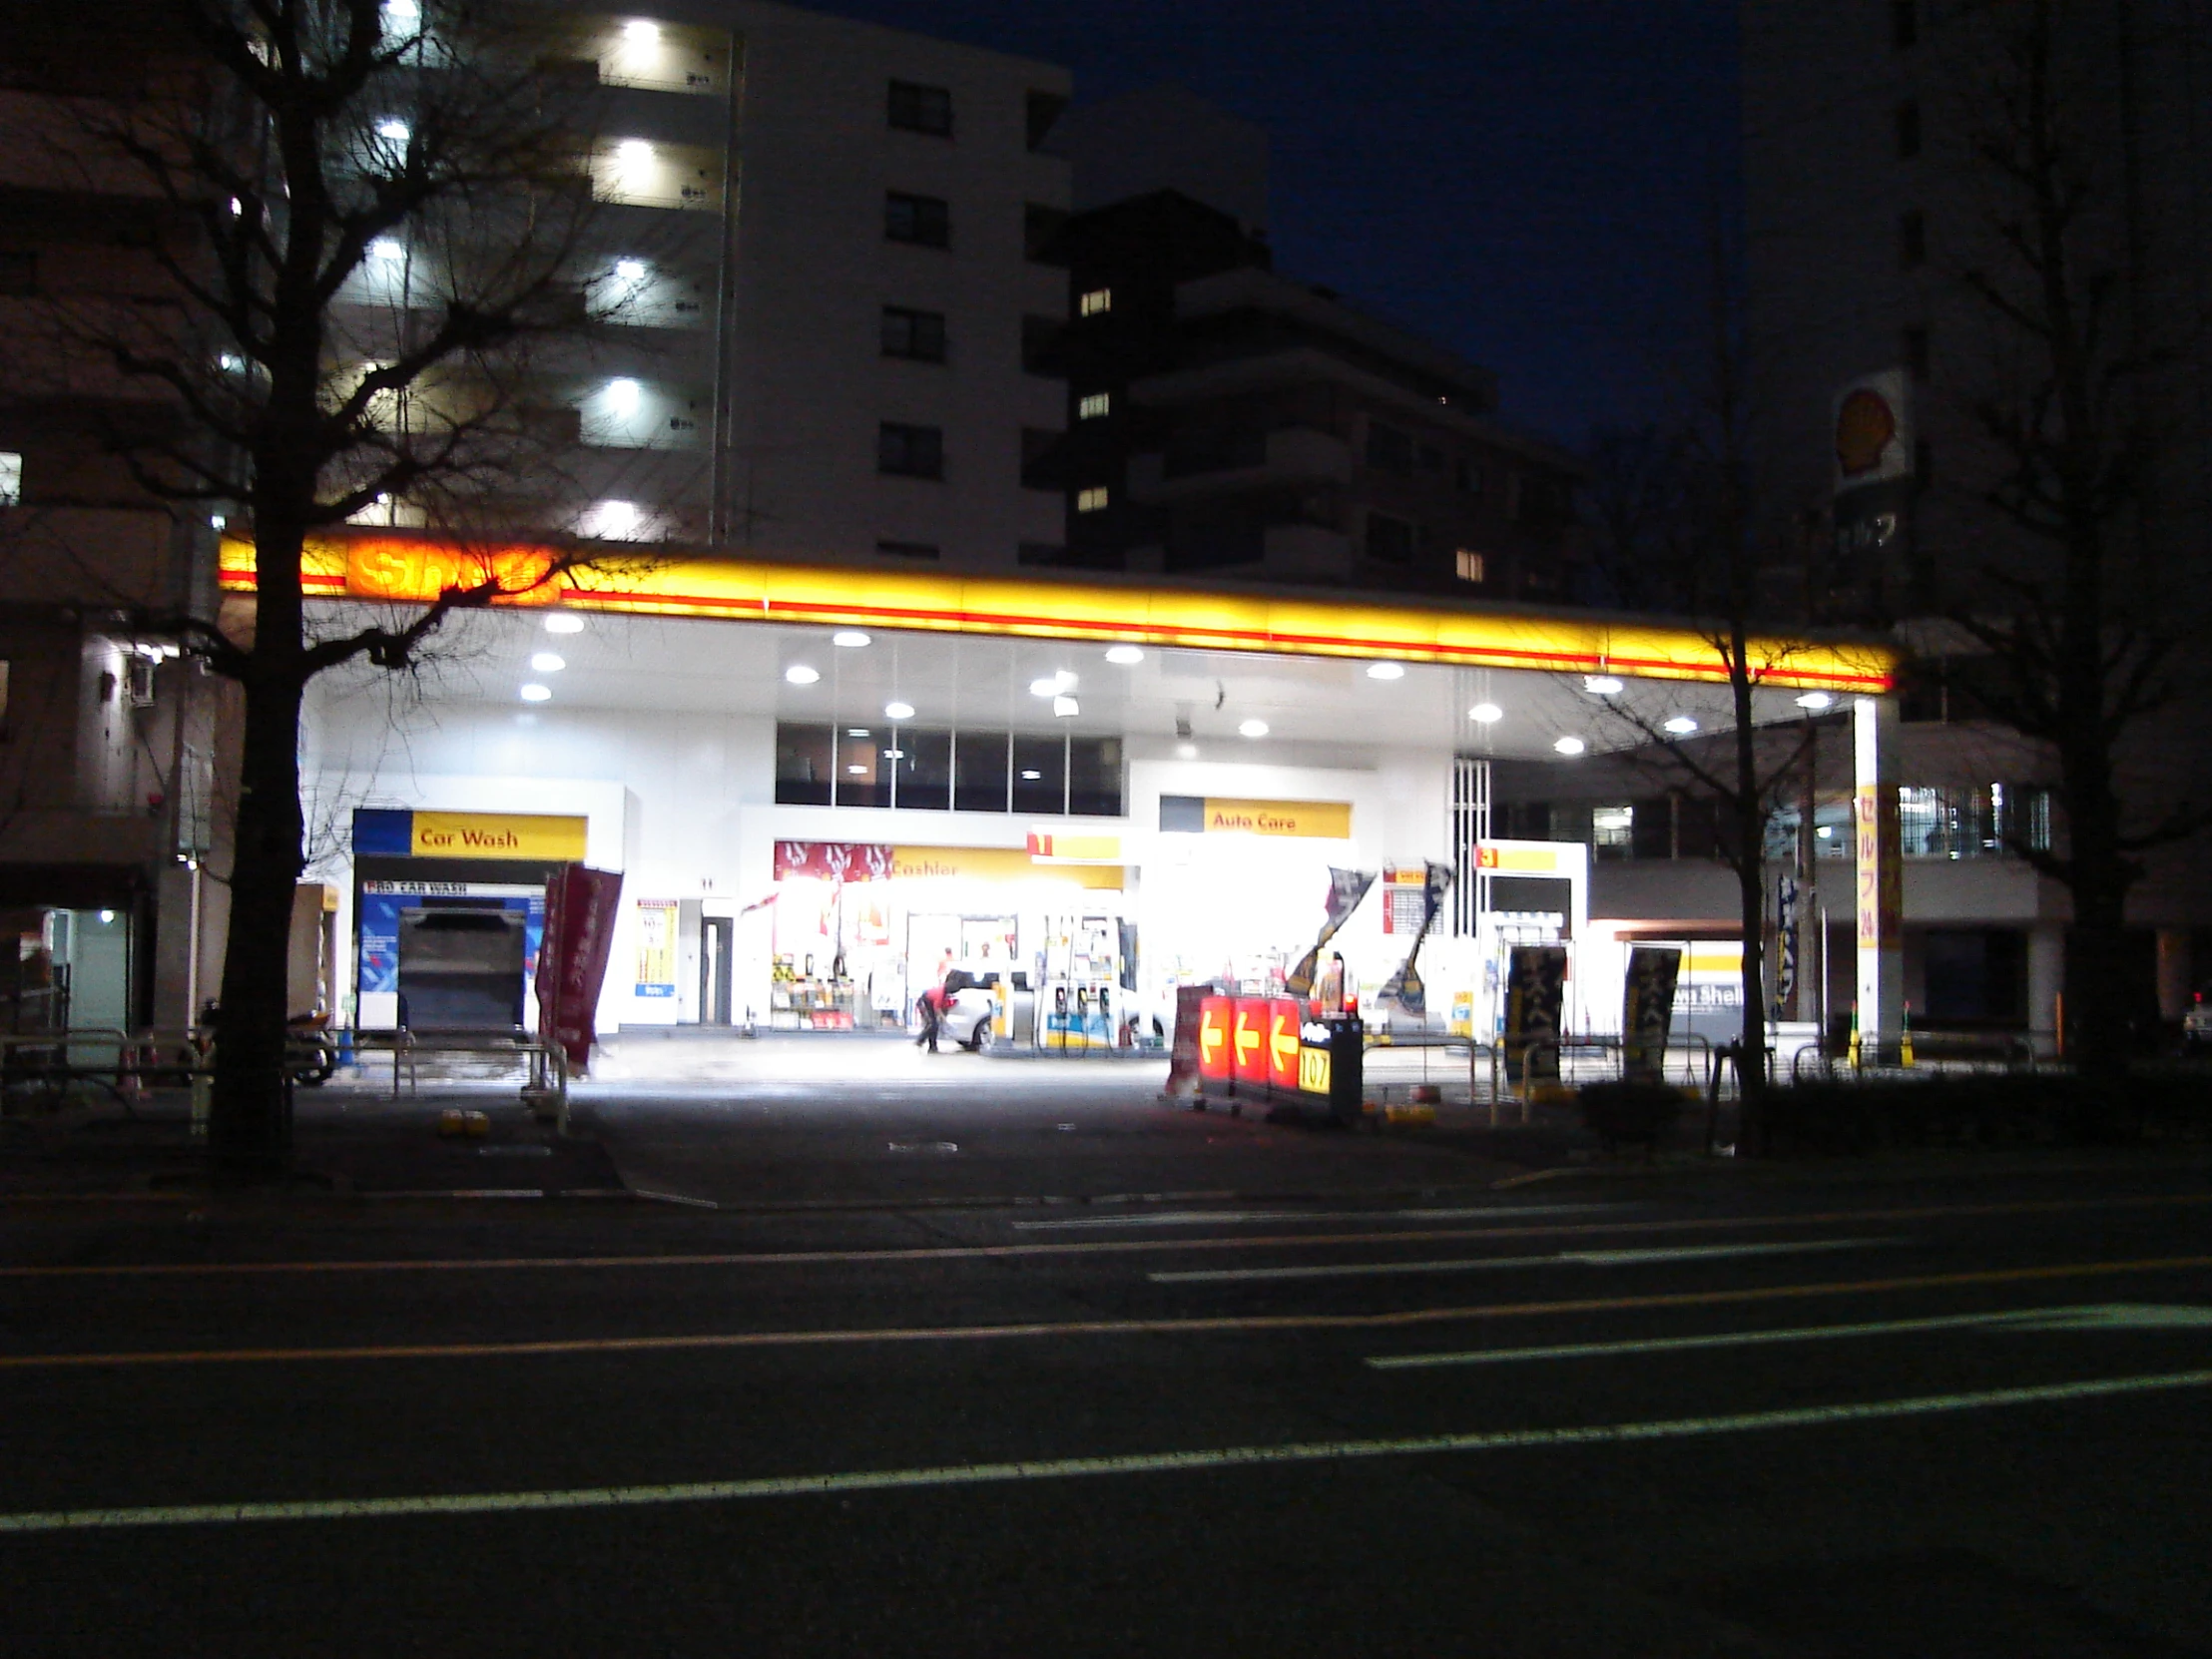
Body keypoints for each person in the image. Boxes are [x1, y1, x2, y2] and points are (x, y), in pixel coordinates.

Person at [914, 982, 944, 1053]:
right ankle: (921, 1040)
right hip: (924, 1002)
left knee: (934, 1025)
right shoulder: (941, 994)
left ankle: (932, 1046)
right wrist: (942, 1017)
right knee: (932, 1024)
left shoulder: (942, 991)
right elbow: (937, 1008)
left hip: (927, 1001)